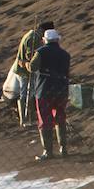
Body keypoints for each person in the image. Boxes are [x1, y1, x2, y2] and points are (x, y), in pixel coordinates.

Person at [32, 28, 71, 160]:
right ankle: (63, 148)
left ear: (45, 40)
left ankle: (48, 152)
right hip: (61, 90)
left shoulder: (40, 52)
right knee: (60, 118)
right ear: (57, 40)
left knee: (45, 120)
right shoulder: (65, 54)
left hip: (44, 90)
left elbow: (32, 67)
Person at [12, 20, 54, 127]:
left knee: (27, 93)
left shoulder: (31, 35)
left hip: (24, 69)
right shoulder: (33, 38)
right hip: (25, 71)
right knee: (26, 93)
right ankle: (25, 119)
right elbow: (30, 56)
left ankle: (27, 117)